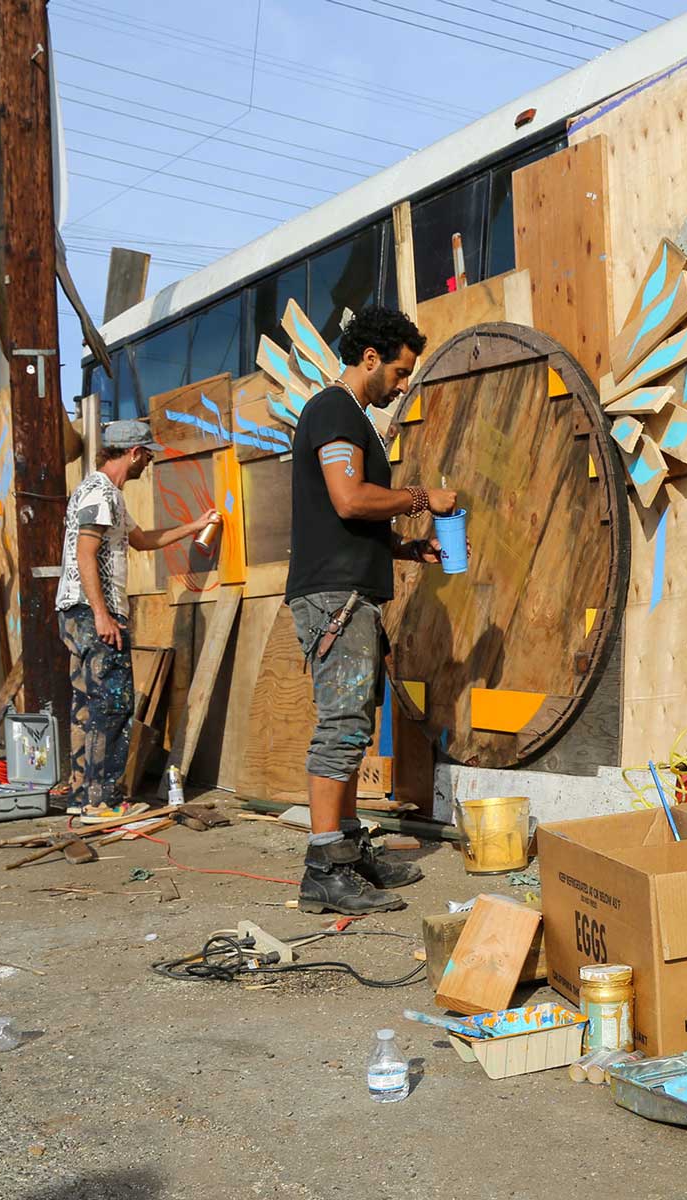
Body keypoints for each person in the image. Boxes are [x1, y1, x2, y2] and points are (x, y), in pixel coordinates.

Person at [286, 305, 456, 916]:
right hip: (335, 599)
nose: (404, 384)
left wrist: (407, 547)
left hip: (350, 593)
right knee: (342, 726)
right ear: (370, 359)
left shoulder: (349, 416)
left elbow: (349, 522)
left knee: (354, 724)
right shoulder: (334, 410)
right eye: (401, 371)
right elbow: (350, 499)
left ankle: (348, 851)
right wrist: (419, 498)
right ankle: (323, 869)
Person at [56, 420, 214, 811]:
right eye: (147, 454)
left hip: (81, 612)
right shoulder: (99, 493)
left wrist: (195, 526)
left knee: (89, 706)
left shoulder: (108, 495)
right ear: (133, 453)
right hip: (92, 612)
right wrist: (103, 615)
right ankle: (105, 801)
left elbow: (142, 542)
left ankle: (84, 798)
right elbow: (85, 554)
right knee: (113, 705)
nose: (147, 462)